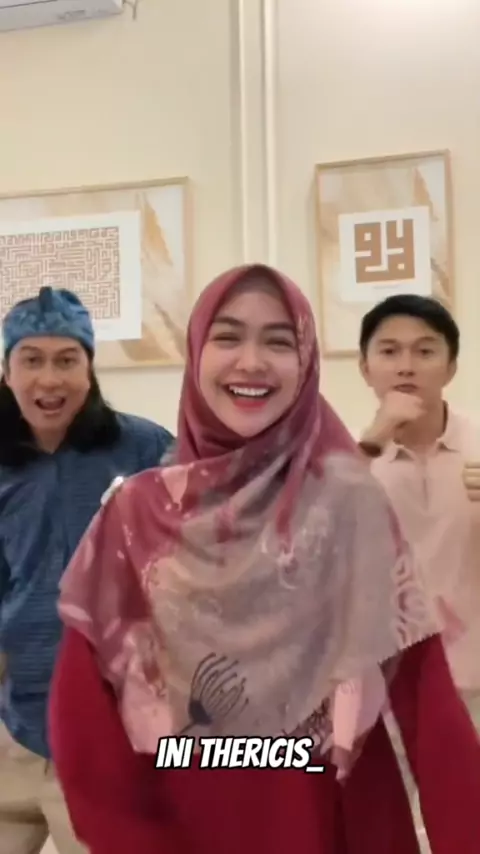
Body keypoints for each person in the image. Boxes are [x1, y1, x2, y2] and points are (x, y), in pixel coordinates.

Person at [49, 266, 480, 854]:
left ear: (306, 365)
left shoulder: (346, 507)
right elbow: (85, 717)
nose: (251, 362)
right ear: (196, 353)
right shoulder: (137, 516)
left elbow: (426, 699)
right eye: (228, 337)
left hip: (335, 820)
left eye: (279, 342)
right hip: (187, 825)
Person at [0, 286, 174, 854]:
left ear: (90, 368)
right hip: (13, 731)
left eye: (66, 360)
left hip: (110, 732)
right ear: (6, 372)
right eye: (31, 360)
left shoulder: (144, 449)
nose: (49, 380)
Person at [358, 295, 480, 719]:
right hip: (386, 688)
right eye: (389, 351)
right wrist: (375, 438)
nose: (406, 366)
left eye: (425, 352)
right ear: (365, 367)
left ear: (451, 367)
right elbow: (310, 549)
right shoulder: (350, 462)